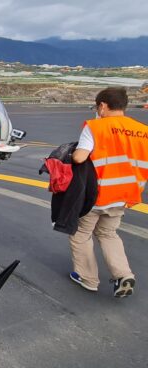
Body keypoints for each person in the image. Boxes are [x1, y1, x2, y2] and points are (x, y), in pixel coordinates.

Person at [69, 87, 148, 297]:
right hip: (125, 194)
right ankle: (123, 274)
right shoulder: (142, 130)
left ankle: (88, 278)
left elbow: (79, 157)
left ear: (102, 106)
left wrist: (71, 151)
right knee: (108, 233)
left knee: (81, 235)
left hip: (98, 195)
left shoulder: (96, 127)